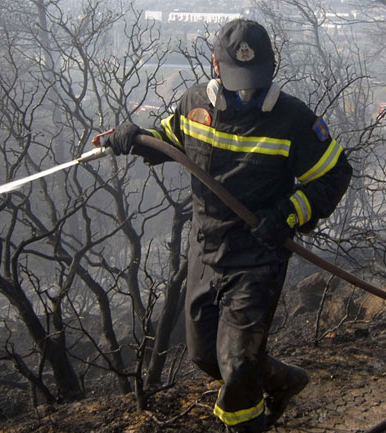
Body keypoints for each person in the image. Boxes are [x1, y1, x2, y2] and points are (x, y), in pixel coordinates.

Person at [103, 19, 353, 432]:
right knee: (205, 356)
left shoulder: (293, 120)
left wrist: (290, 213)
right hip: (207, 250)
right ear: (216, 66)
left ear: (271, 67)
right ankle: (283, 379)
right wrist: (133, 138)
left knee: (236, 370)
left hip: (258, 256)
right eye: (236, 78)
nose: (246, 90)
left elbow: (334, 174)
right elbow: (169, 142)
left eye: (255, 79)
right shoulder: (194, 103)